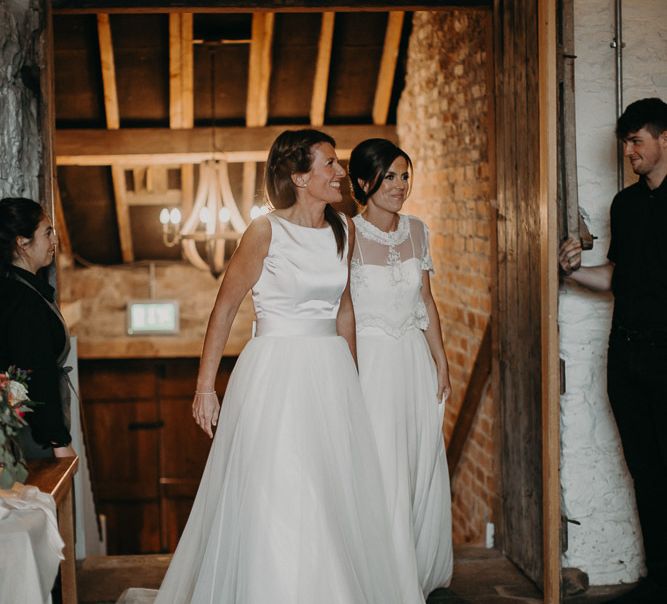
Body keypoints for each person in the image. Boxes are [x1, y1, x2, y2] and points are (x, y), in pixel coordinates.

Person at [150, 130, 406, 603]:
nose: (340, 172)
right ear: (300, 177)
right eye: (329, 164)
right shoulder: (265, 231)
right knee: (282, 484)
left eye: (337, 163)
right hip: (275, 373)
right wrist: (205, 388)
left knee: (330, 489)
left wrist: (353, 374)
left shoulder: (344, 229)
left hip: (328, 370)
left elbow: (345, 308)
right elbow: (225, 308)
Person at [559, 98, 667, 604]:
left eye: (636, 141)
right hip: (625, 359)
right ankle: (659, 580)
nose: (629, 152)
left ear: (664, 140)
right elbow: (617, 279)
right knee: (645, 471)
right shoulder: (624, 206)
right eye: (625, 143)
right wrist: (572, 271)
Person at [348, 138, 454, 602]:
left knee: (415, 464)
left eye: (404, 175)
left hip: (413, 361)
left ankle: (413, 566)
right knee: (381, 466)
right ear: (362, 182)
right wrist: (345, 371)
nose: (399, 185)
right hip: (370, 365)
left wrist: (442, 363)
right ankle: (384, 579)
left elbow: (426, 302)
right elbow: (341, 310)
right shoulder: (344, 233)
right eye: (389, 176)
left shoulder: (417, 230)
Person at [0, 197, 75, 460]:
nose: (54, 241)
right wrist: (58, 439)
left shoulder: (20, 288)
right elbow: (36, 371)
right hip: (30, 433)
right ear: (22, 242)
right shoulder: (23, 301)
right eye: (47, 232)